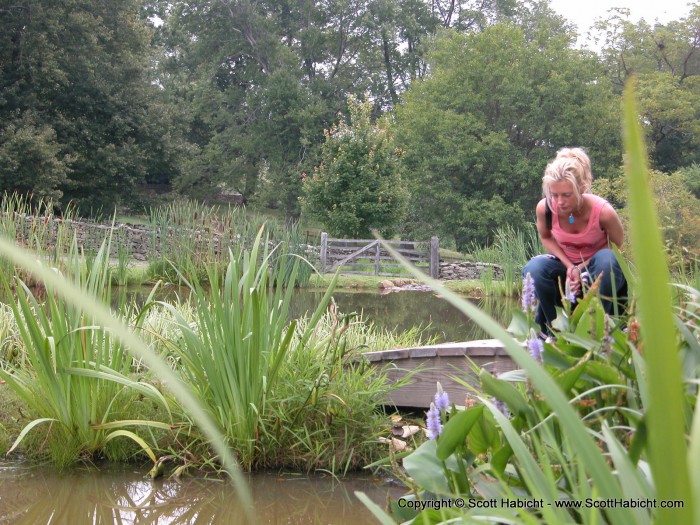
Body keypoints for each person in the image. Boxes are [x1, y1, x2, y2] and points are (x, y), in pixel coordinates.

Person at [522, 147, 627, 336]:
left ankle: (598, 329)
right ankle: (553, 330)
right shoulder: (544, 208)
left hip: (598, 269)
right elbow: (546, 237)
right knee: (534, 268)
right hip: (566, 268)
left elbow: (616, 244)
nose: (559, 202)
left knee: (607, 260)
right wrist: (570, 266)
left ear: (581, 189)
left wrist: (582, 269)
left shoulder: (603, 212)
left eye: (566, 195)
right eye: (554, 195)